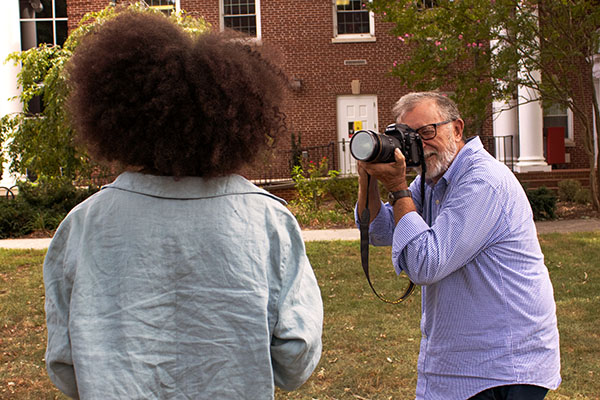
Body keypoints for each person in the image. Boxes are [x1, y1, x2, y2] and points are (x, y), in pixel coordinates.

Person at [43, 10, 323, 399]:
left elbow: (64, 363)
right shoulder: (268, 220)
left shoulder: (83, 225)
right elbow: (296, 356)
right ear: (239, 121)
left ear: (116, 117)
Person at [356, 92, 560, 400]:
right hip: (462, 361)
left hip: (501, 367)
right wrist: (367, 180)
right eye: (410, 137)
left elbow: (426, 264)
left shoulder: (482, 181)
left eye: (427, 132)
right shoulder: (433, 179)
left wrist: (397, 188)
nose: (420, 144)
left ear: (457, 129)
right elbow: (380, 230)